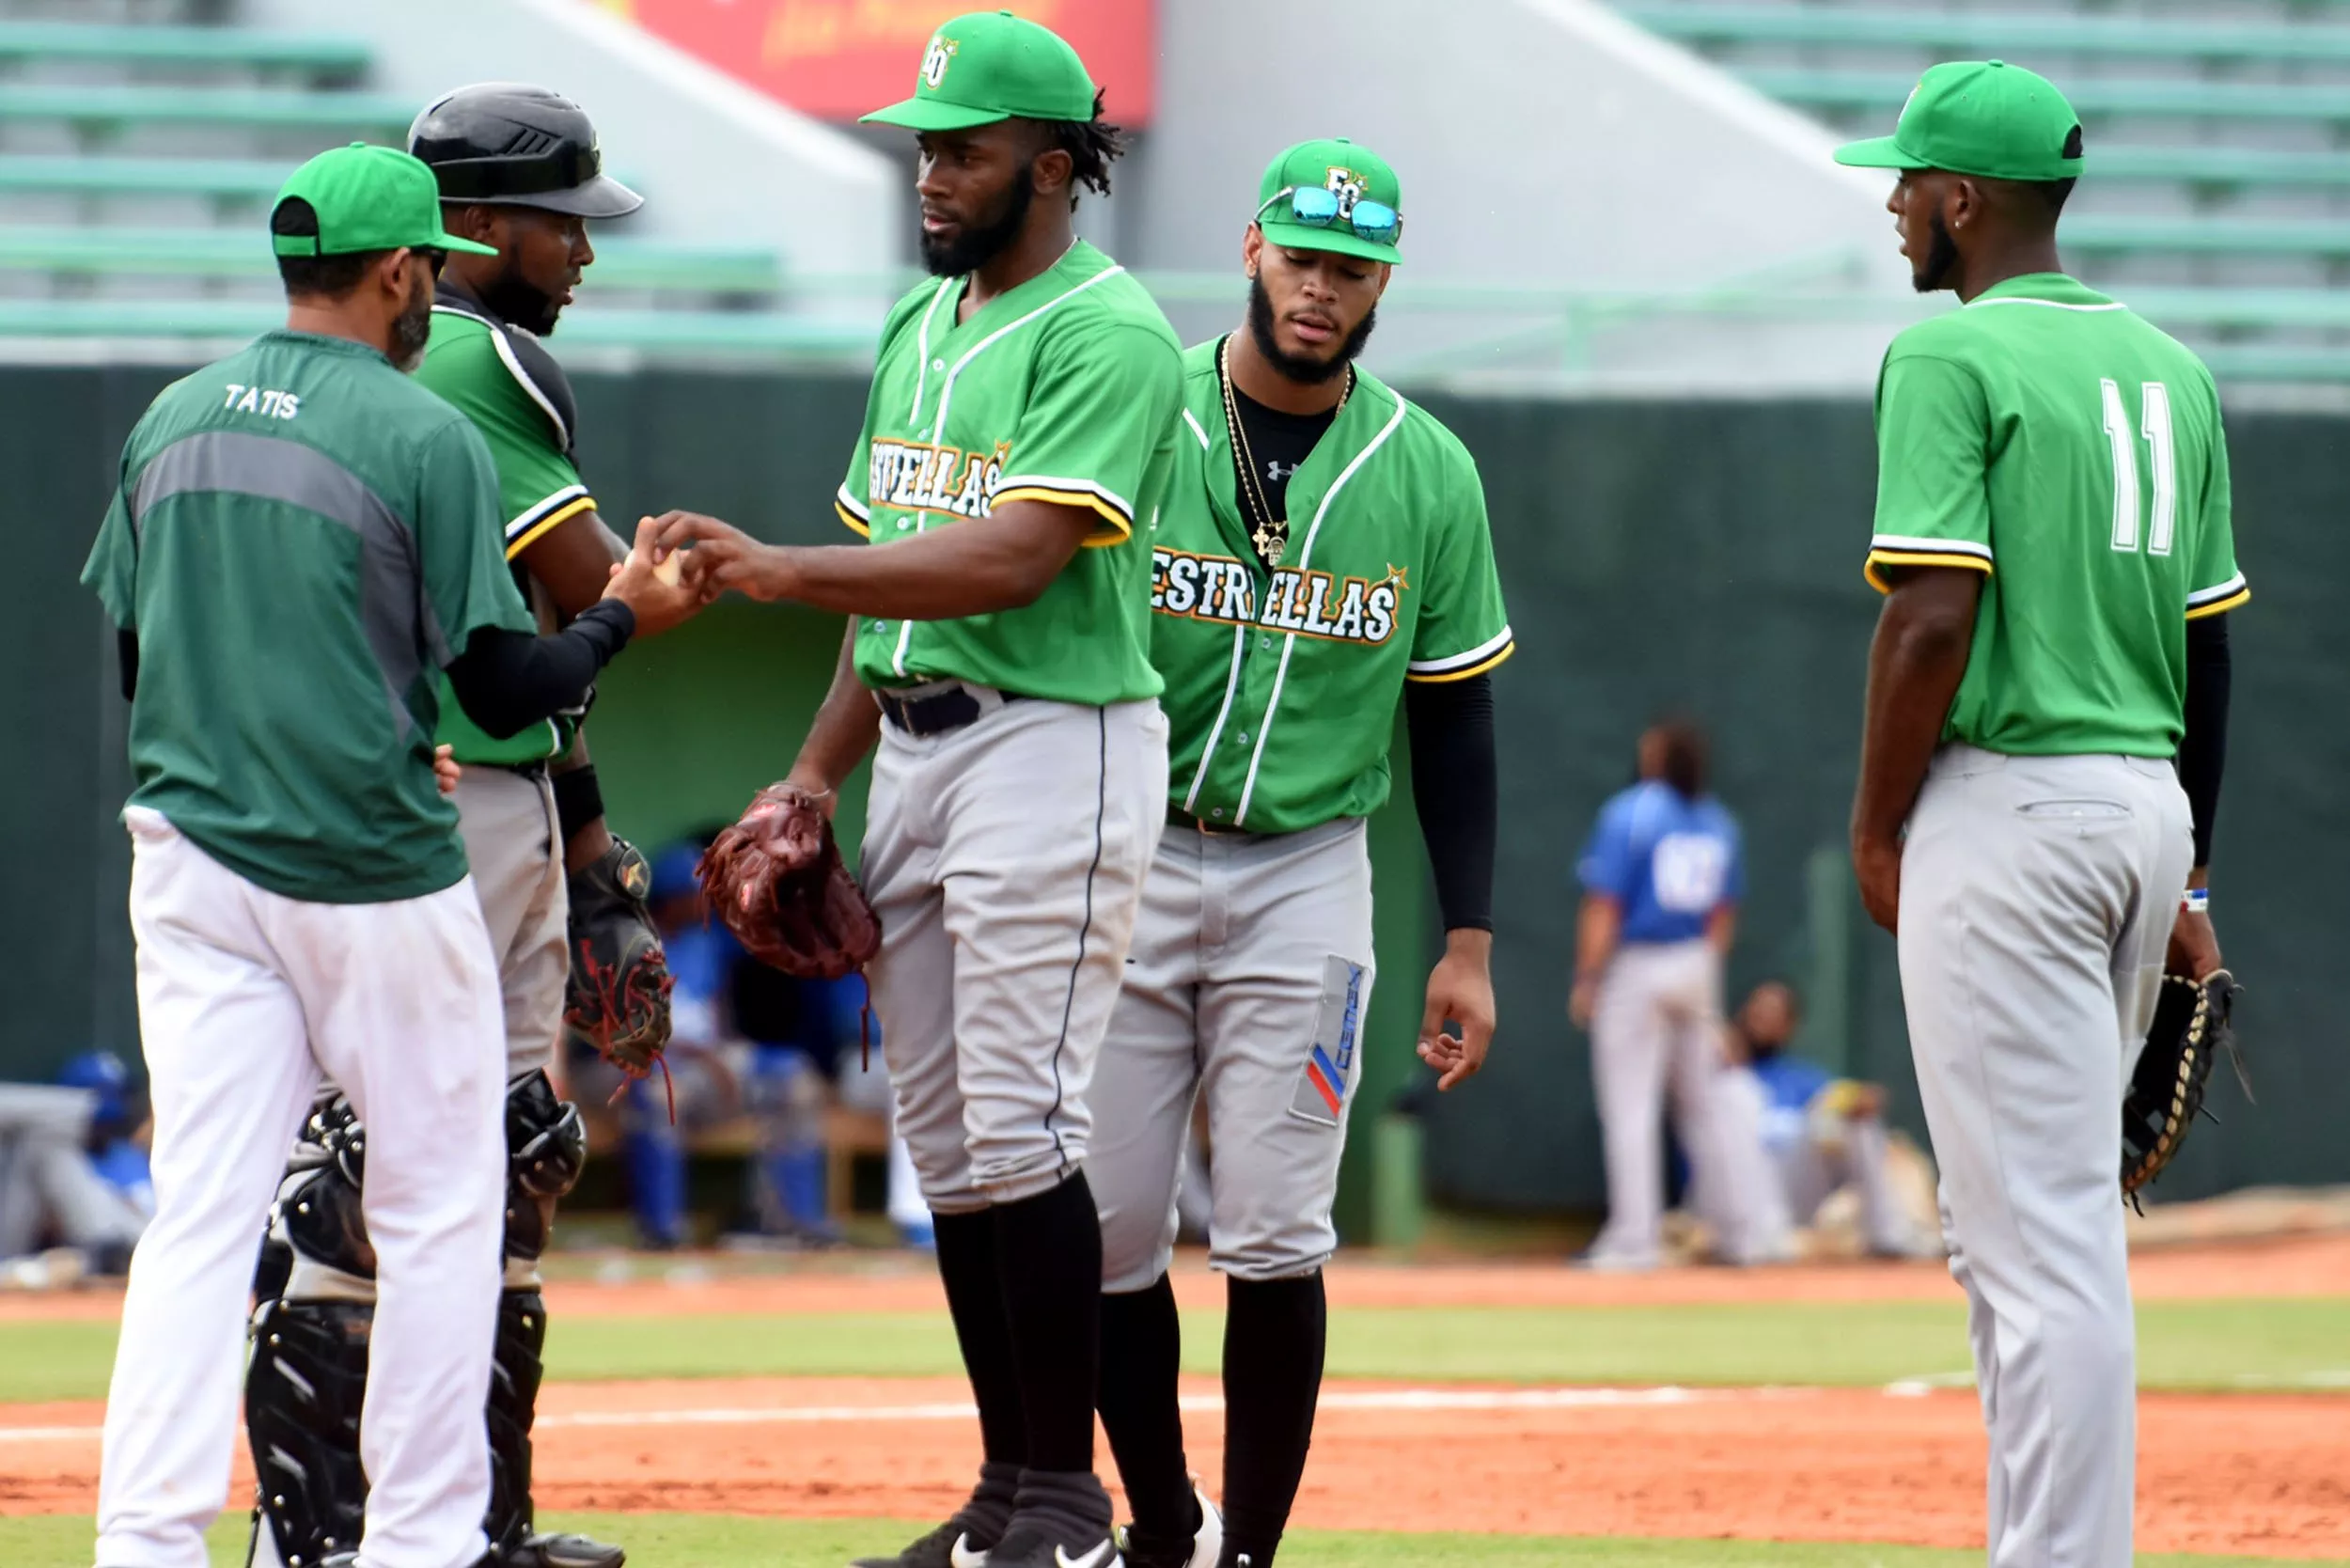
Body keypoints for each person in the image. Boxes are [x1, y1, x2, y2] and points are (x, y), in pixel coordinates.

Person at [80, 142, 688, 1568]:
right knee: (441, 1205)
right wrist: (625, 621)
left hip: (188, 853)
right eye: (430, 270)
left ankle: (145, 1544)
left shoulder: (169, 416)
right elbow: (503, 686)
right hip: (365, 863)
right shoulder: (422, 432)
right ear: (407, 270)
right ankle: (421, 1541)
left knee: (201, 1220)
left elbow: (135, 654)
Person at [647, 14, 1184, 1567]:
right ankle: (1012, 1487)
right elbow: (897, 604)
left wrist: (776, 565)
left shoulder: (1111, 330)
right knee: (947, 1143)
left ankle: (1073, 1502)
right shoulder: (918, 324)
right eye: (925, 144)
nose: (932, 169)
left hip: (1054, 739)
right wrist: (813, 771)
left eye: (962, 145)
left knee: (1021, 1124)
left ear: (1056, 160)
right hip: (921, 746)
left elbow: (1013, 555)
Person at [1837, 60, 2242, 1568]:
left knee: (2041, 1248)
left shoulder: (1949, 359)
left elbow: (1931, 620)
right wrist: (2193, 860)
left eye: (1904, 183)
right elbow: (2210, 647)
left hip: (2009, 811)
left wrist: (1878, 827)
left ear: (1962, 200)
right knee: (2019, 1236)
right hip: (2140, 806)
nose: (1890, 207)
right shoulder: (2173, 369)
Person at [1087, 137, 1510, 1568]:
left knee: (1275, 1231)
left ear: (1383, 277)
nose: (1319, 289)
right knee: (1106, 1225)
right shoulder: (1144, 419)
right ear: (1252, 247)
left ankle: (1249, 1554)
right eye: (1301, 256)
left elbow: (1455, 717)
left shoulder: (1428, 471)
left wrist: (1469, 942)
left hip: (1308, 872)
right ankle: (1162, 1525)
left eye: (1350, 266)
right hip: (1127, 849)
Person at [1571, 719, 1777, 1269]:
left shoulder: (1631, 811)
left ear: (1657, 757)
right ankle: (1743, 1234)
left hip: (1639, 964)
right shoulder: (1718, 821)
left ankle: (1635, 1242)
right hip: (1698, 962)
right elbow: (1724, 915)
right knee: (1707, 1109)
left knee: (1630, 1108)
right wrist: (1705, 974)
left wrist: (1588, 978)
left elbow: (1605, 905)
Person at [1716, 981, 1935, 1259]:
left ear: (1789, 1027)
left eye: (1775, 1015)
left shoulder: (1801, 1078)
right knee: (1734, 1091)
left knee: (1855, 1123)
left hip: (1794, 1187)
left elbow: (1845, 1103)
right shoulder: (1716, 1076)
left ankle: (1889, 1236)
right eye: (1759, 1012)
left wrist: (1857, 1102)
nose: (1764, 1022)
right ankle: (1758, 1239)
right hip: (1735, 1195)